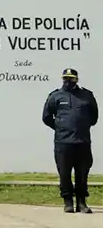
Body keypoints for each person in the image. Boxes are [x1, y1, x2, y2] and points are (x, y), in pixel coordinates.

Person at [42, 68, 98, 214]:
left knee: (82, 174)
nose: (68, 81)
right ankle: (68, 202)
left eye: (71, 79)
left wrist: (82, 126)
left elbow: (94, 117)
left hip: (82, 142)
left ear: (76, 80)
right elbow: (46, 117)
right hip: (63, 143)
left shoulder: (87, 96)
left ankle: (82, 203)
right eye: (65, 78)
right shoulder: (56, 96)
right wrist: (60, 127)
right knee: (64, 174)